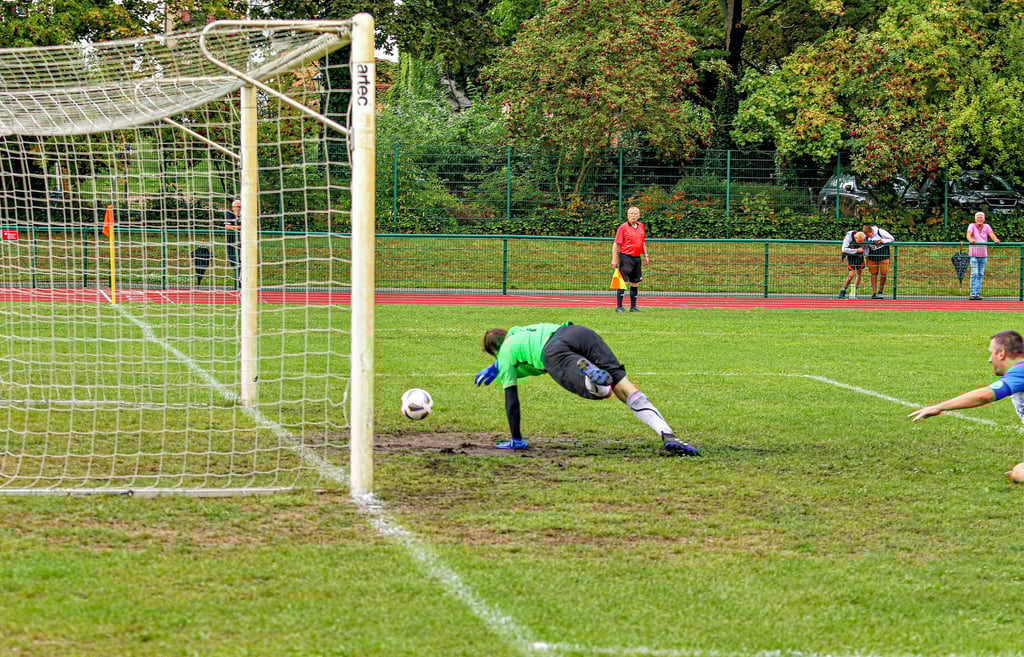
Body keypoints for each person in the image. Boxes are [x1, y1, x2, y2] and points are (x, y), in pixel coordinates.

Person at [474, 321, 699, 456]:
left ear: (494, 350)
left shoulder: (504, 355)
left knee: (602, 391)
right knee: (625, 387)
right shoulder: (520, 331)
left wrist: (516, 438)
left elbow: (512, 401)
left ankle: (592, 378)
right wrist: (496, 365)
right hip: (576, 332)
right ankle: (667, 435)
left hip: (552, 352)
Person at [910, 330, 1024, 443]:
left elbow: (985, 395)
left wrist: (938, 407)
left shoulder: (1021, 371)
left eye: (991, 352)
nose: (989, 360)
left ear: (1001, 353)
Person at [611, 206, 649, 312]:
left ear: (639, 215)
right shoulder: (622, 227)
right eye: (631, 213)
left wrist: (646, 255)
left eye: (635, 213)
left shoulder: (641, 226)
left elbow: (643, 241)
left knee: (635, 282)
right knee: (624, 281)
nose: (633, 215)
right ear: (628, 215)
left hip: (637, 258)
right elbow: (616, 244)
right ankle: (619, 306)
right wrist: (614, 259)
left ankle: (633, 307)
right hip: (626, 257)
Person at [966, 211, 1000, 300]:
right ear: (975, 219)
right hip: (974, 254)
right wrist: (971, 240)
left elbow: (991, 234)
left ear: (984, 219)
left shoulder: (987, 226)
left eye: (981, 218)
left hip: (983, 254)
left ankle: (977, 293)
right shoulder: (972, 226)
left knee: (980, 274)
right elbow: (968, 235)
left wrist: (995, 239)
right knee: (974, 273)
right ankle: (973, 293)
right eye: (978, 217)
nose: (979, 219)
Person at [862, 223, 895, 299]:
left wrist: (882, 241)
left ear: (871, 231)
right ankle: (874, 293)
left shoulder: (880, 232)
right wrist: (866, 255)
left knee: (883, 273)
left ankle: (880, 291)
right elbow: (865, 247)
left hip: (883, 254)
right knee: (874, 273)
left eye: (868, 234)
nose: (867, 236)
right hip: (872, 255)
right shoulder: (864, 237)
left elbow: (891, 238)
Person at [838, 229, 866, 299]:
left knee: (859, 274)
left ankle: (854, 291)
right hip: (852, 257)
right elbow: (844, 249)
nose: (860, 243)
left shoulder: (863, 236)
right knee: (851, 275)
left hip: (859, 257)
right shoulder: (849, 237)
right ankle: (843, 290)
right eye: (859, 242)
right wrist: (856, 250)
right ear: (855, 238)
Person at [224, 199, 241, 288]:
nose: (238, 209)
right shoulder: (229, 214)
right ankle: (238, 284)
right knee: (234, 262)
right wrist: (240, 227)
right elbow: (227, 227)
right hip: (231, 243)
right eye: (236, 207)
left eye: (240, 207)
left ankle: (240, 284)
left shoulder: (245, 214)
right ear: (232, 208)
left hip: (243, 244)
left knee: (242, 264)